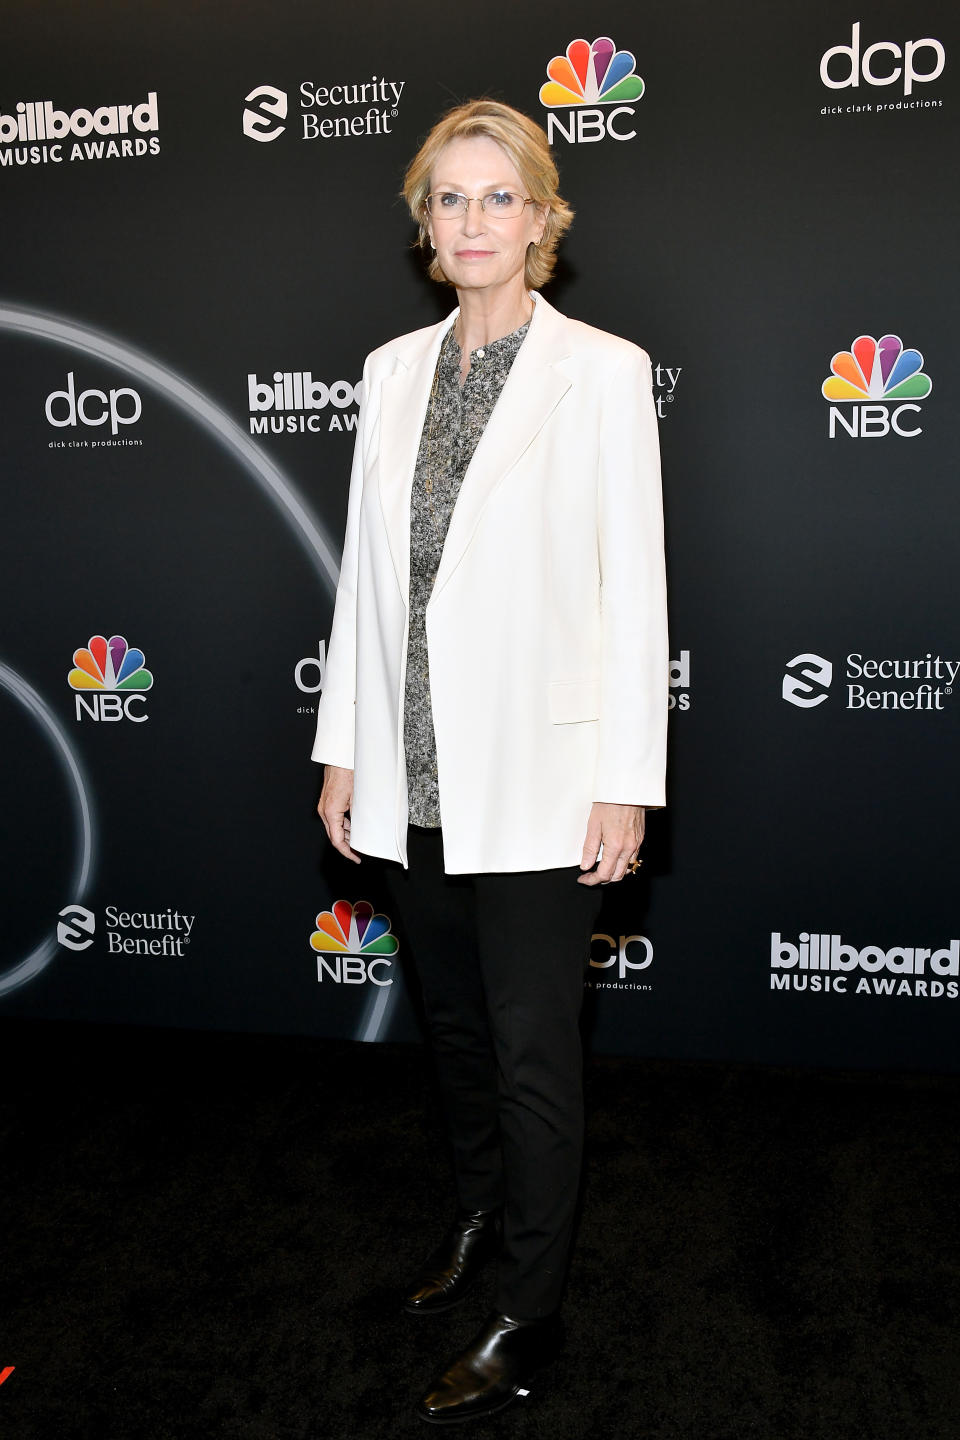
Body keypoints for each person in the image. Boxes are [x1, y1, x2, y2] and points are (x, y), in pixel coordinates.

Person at [314, 99, 668, 1425]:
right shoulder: (391, 371)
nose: (473, 221)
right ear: (426, 225)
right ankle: (478, 1222)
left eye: (497, 197)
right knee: (454, 1030)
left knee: (534, 1055)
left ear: (542, 217)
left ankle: (530, 1307)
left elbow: (637, 591)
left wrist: (626, 776)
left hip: (540, 774)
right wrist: (345, 748)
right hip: (413, 774)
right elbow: (367, 582)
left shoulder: (606, 372)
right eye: (449, 199)